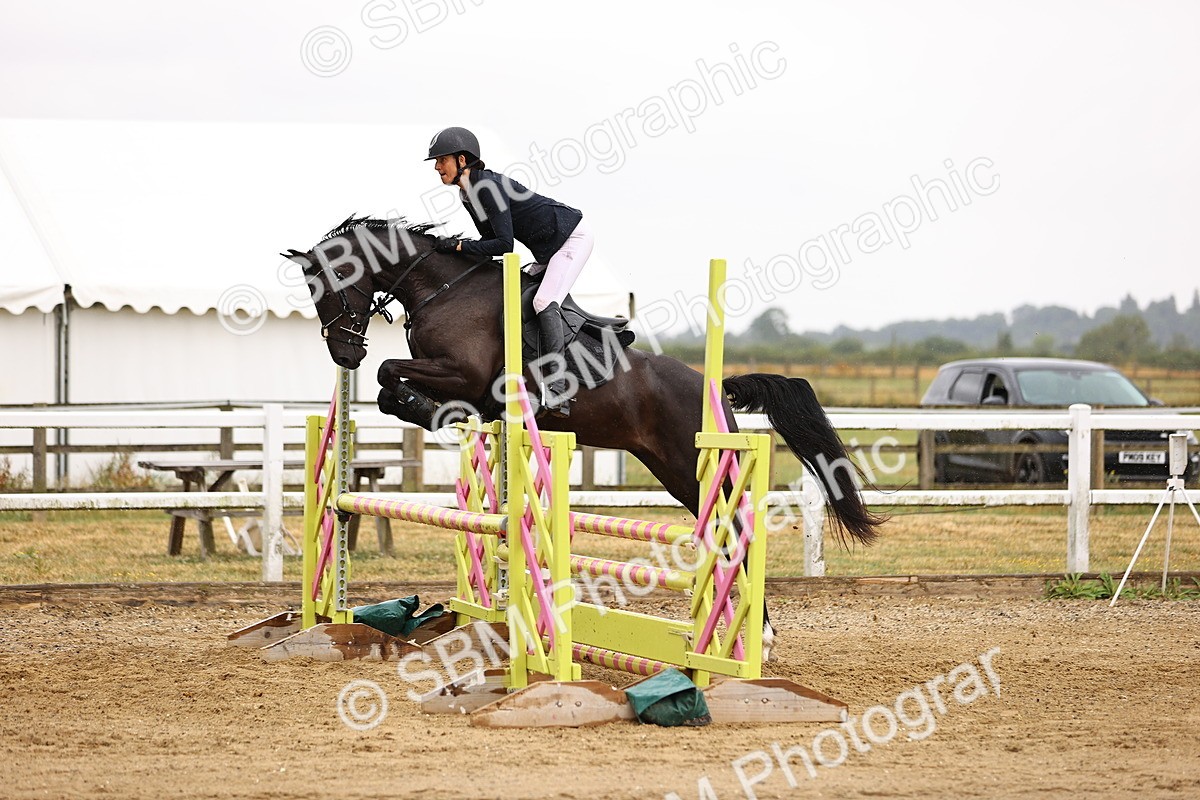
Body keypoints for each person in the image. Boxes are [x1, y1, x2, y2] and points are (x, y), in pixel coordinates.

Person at [425, 126, 592, 417]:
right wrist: (457, 249)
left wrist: (459, 247)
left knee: (543, 302)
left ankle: (557, 387)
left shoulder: (486, 188)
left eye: (442, 159)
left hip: (571, 238)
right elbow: (489, 245)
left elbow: (504, 244)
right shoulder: (467, 195)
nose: (438, 167)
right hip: (548, 249)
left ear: (462, 160)